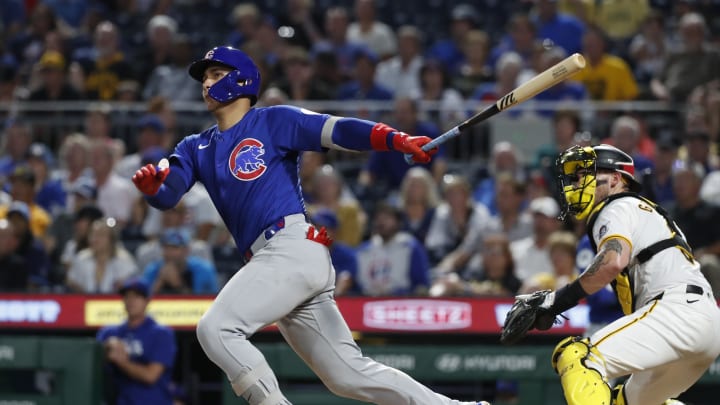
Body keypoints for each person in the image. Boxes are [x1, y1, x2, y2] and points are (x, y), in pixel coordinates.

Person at [131, 45, 489, 405]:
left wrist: (397, 139)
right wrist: (152, 190)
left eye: (215, 74)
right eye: (204, 77)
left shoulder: (273, 121)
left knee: (216, 329)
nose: (206, 84)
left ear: (242, 79)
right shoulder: (196, 146)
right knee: (347, 374)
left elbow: (339, 130)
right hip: (275, 261)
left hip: (289, 246)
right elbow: (168, 193)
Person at [528, 143, 720, 405]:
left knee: (578, 356)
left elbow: (612, 262)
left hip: (675, 311)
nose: (579, 182)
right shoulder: (645, 211)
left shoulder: (618, 205)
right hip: (704, 322)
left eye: (587, 174)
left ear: (616, 179)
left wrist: (555, 302)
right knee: (627, 402)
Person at [97, 278, 177, 405]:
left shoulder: (161, 333)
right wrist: (107, 347)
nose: (131, 301)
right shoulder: (109, 333)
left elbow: (150, 376)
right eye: (127, 296)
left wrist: (121, 362)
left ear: (147, 301)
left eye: (137, 296)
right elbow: (92, 366)